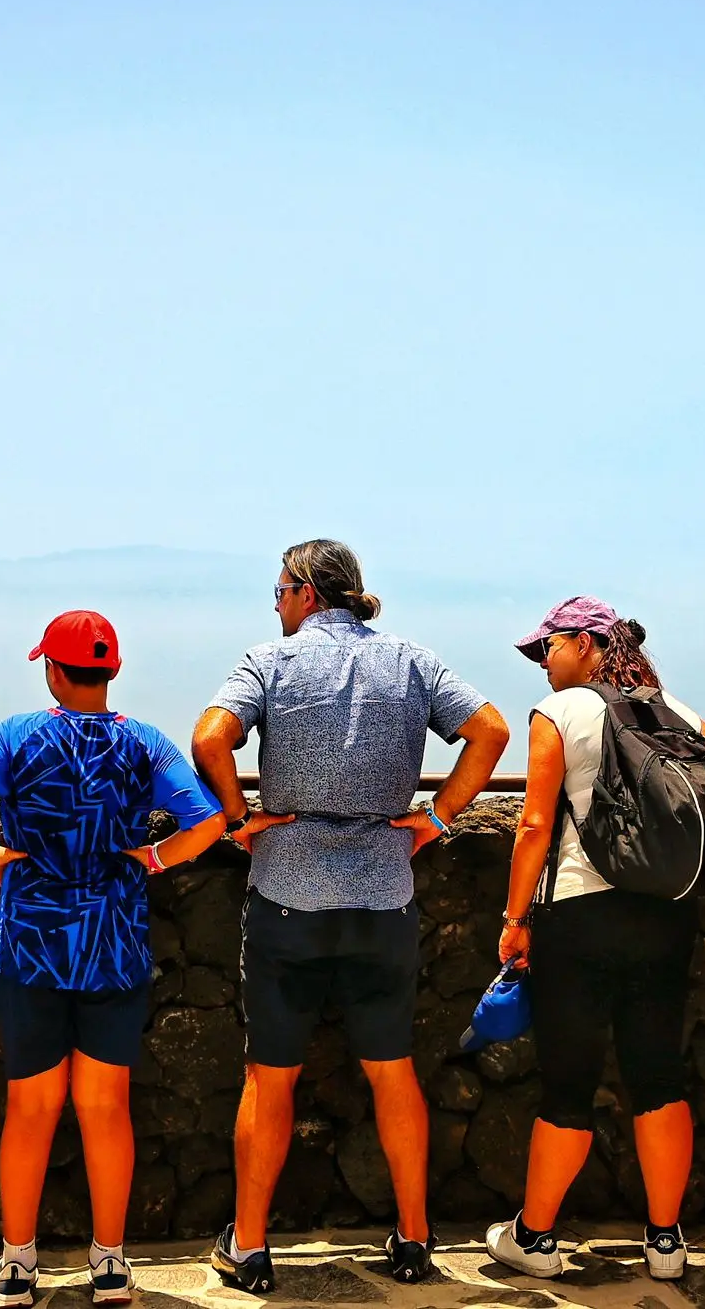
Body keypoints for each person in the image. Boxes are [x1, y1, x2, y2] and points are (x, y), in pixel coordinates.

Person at [191, 539, 510, 1292]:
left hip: (287, 898)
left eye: (278, 590)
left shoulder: (269, 661)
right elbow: (491, 731)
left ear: (305, 591)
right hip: (382, 897)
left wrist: (239, 818)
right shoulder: (411, 661)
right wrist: (440, 816)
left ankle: (250, 1246)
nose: (274, 604)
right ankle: (413, 1238)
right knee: (393, 1072)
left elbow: (209, 738)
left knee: (270, 1079)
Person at [0, 610, 226, 1309]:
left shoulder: (18, 735)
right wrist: (153, 856)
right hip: (113, 945)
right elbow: (208, 820)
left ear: (52, 670)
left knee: (30, 1107)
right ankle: (111, 1263)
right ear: (110, 670)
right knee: (105, 1106)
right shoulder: (143, 744)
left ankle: (18, 1264)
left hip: (30, 944)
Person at [483, 597, 705, 1282]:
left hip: (580, 917)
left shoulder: (561, 713)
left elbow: (531, 826)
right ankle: (666, 1244)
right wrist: (678, 849)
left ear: (584, 644)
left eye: (548, 647)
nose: (542, 663)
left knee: (570, 1082)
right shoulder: (665, 708)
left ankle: (536, 1237)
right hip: (663, 914)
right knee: (657, 1078)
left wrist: (514, 920)